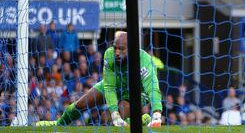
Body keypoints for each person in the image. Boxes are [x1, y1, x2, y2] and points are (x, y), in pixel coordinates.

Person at [35, 31, 163, 127]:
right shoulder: (109, 54)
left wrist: (157, 113)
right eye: (115, 48)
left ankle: (133, 120)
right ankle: (58, 124)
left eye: (121, 49)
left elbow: (152, 88)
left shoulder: (145, 61)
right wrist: (115, 113)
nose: (117, 52)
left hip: (135, 93)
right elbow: (109, 87)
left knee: (106, 120)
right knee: (80, 104)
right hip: (113, 85)